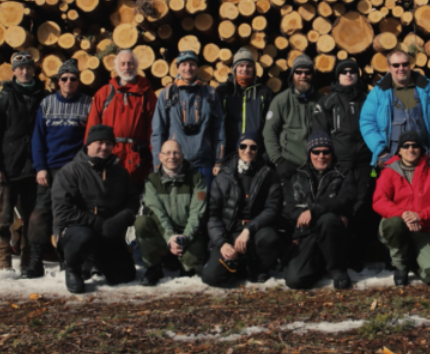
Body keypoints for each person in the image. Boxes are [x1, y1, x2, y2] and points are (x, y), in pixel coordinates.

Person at [52, 125, 138, 293]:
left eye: (108, 143)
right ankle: (73, 268)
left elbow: (133, 200)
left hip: (109, 231)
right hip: (77, 230)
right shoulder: (70, 172)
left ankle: (96, 260)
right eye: (99, 142)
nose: (104, 147)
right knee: (85, 237)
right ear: (88, 144)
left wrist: (121, 218)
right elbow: (63, 211)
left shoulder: (120, 172)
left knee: (125, 276)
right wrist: (95, 222)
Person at [29, 59, 92, 278]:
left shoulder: (88, 104)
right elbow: (38, 139)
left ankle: (71, 259)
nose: (68, 82)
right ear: (58, 81)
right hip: (50, 168)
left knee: (75, 216)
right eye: (64, 78)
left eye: (73, 78)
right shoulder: (46, 104)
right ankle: (36, 260)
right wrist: (40, 167)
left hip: (76, 170)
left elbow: (90, 140)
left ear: (78, 81)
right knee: (40, 214)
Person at [0, 51, 47, 272]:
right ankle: (3, 263)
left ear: (34, 70)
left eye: (28, 67)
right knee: (3, 218)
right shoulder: (3, 97)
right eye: (20, 68)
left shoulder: (43, 96)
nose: (24, 71)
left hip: (34, 168)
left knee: (32, 219)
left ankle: (28, 262)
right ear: (13, 71)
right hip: (8, 168)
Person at [312, 58, 376, 269]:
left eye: (352, 71)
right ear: (337, 76)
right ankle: (340, 256)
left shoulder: (369, 99)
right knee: (341, 207)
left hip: (365, 162)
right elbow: (320, 134)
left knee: (363, 206)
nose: (348, 74)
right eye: (344, 72)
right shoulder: (327, 102)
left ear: (358, 75)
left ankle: (360, 256)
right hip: (339, 164)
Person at [201, 134, 284, 287]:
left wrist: (248, 229)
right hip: (229, 231)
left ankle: (255, 268)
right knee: (212, 277)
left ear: (258, 150)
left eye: (253, 147)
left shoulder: (269, 175)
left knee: (270, 237)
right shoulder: (222, 177)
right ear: (237, 148)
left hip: (255, 231)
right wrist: (222, 243)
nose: (248, 150)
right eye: (243, 146)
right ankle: (240, 264)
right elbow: (213, 215)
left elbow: (272, 209)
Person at [373, 131, 430, 287]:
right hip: (396, 226)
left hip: (423, 228)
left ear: (421, 149)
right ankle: (400, 266)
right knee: (395, 223)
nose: (411, 149)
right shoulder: (388, 173)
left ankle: (412, 261)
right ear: (399, 150)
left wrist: (420, 215)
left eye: (415, 145)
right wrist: (404, 215)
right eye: (406, 146)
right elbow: (379, 201)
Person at [281, 132, 356, 290]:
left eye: (326, 151)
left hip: (334, 233)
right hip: (306, 233)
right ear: (309, 154)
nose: (321, 156)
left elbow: (346, 199)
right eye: (316, 152)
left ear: (331, 153)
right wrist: (309, 214)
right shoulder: (296, 176)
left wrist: (314, 211)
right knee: (295, 281)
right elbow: (289, 208)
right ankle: (318, 266)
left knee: (328, 219)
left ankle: (338, 269)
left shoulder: (343, 173)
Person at [136, 139, 209, 285]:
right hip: (163, 234)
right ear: (160, 156)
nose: (172, 157)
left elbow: (197, 213)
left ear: (182, 156)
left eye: (176, 153)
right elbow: (156, 212)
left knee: (190, 265)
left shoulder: (197, 178)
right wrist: (170, 237)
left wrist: (185, 237)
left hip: (188, 234)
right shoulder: (151, 181)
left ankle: (184, 264)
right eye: (167, 153)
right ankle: (153, 267)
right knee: (141, 222)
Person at [361, 49, 430, 172]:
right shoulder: (379, 92)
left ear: (410, 65)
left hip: (422, 155)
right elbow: (367, 122)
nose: (401, 68)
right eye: (396, 65)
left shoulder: (427, 89)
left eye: (405, 64)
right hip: (391, 156)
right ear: (389, 67)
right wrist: (381, 152)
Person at [150, 50, 225, 190]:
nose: (188, 68)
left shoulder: (209, 94)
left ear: (197, 67)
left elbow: (218, 130)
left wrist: (219, 161)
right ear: (177, 68)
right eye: (183, 64)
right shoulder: (167, 94)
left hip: (204, 165)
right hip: (174, 166)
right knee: (178, 208)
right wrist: (158, 165)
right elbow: (158, 132)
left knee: (202, 205)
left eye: (192, 64)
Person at [87, 50, 155, 184]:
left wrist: (153, 156)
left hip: (137, 157)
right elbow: (93, 127)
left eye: (130, 63)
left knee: (134, 196)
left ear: (136, 66)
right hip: (108, 153)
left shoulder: (147, 94)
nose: (126, 67)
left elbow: (153, 128)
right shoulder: (105, 93)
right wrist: (90, 156)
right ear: (117, 67)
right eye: (122, 64)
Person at [265, 55, 322, 189]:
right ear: (292, 75)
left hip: (318, 163)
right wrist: (278, 161)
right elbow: (269, 132)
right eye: (298, 72)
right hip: (289, 164)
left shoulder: (322, 100)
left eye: (307, 72)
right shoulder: (281, 100)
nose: (303, 75)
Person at [216, 47, 272, 156]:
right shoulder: (223, 91)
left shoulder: (264, 92)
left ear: (254, 69)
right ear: (234, 69)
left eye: (249, 66)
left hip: (255, 152)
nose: (245, 69)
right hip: (229, 152)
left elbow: (270, 127)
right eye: (241, 65)